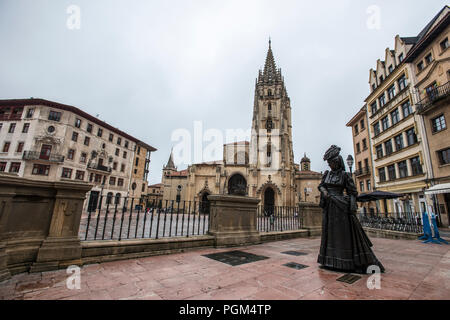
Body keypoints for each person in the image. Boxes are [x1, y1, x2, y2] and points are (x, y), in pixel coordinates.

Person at [318, 145, 385, 274]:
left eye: (331, 163)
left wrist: (352, 206)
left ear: (337, 162)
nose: (330, 165)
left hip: (341, 208)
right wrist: (325, 191)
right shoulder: (327, 174)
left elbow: (353, 192)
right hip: (330, 209)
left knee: (343, 236)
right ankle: (330, 261)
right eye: (329, 163)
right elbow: (321, 186)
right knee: (331, 235)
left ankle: (346, 262)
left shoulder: (345, 175)